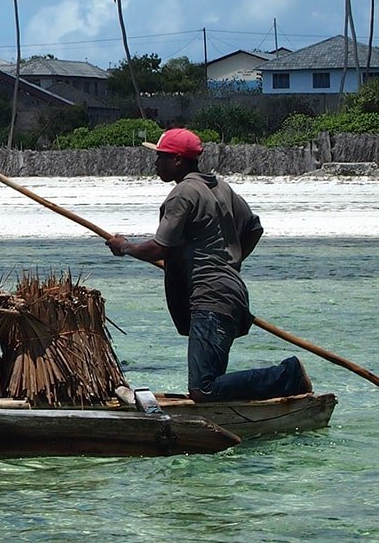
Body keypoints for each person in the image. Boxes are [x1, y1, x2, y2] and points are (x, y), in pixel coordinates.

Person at [105, 127, 311, 402]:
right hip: (230, 292)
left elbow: (159, 247)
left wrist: (125, 247)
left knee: (203, 389)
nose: (155, 163)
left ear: (178, 160)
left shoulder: (183, 193)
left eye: (161, 157)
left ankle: (287, 375)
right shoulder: (221, 187)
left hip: (210, 298)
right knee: (213, 387)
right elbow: (253, 229)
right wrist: (229, 263)